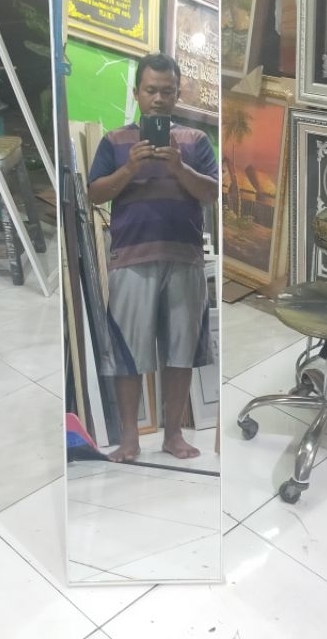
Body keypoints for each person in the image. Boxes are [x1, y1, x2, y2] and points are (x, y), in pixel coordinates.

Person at [88, 53, 218, 462]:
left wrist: (179, 168)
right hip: (131, 259)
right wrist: (129, 168)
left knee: (181, 352)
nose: (158, 99)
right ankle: (129, 439)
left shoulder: (196, 142)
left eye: (167, 91)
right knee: (128, 354)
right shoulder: (114, 141)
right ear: (137, 93)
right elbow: (94, 194)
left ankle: (173, 435)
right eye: (151, 90)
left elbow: (212, 193)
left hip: (185, 259)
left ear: (178, 94)